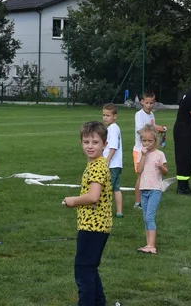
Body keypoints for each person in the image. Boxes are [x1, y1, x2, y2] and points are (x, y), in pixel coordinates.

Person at [62, 121, 113, 306]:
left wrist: (73, 200)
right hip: (96, 225)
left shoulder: (97, 167)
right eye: (86, 142)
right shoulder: (97, 164)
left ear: (104, 144)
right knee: (90, 268)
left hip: (93, 226)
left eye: (95, 142)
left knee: (83, 270)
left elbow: (93, 196)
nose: (90, 146)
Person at [135, 125, 168, 254]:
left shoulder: (160, 154)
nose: (147, 143)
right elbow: (139, 170)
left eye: (150, 141)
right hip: (144, 188)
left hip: (155, 188)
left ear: (155, 140)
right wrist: (143, 156)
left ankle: (152, 246)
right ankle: (148, 243)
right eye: (144, 141)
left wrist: (161, 167)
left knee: (150, 216)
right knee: (145, 217)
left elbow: (165, 171)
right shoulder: (141, 154)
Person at [133, 92, 166, 207]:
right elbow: (140, 130)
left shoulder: (152, 115)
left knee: (149, 175)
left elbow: (152, 132)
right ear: (142, 102)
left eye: (151, 103)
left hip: (150, 151)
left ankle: (146, 199)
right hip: (139, 150)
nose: (149, 105)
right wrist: (155, 128)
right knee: (140, 175)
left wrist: (159, 130)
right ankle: (137, 202)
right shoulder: (139, 114)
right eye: (147, 103)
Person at [102, 103, 124, 217]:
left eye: (108, 115)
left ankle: (106, 211)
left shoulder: (113, 129)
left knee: (108, 188)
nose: (105, 117)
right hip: (115, 164)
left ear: (114, 116)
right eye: (104, 115)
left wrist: (107, 160)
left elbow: (114, 146)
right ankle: (119, 212)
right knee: (116, 188)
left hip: (112, 164)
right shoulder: (111, 128)